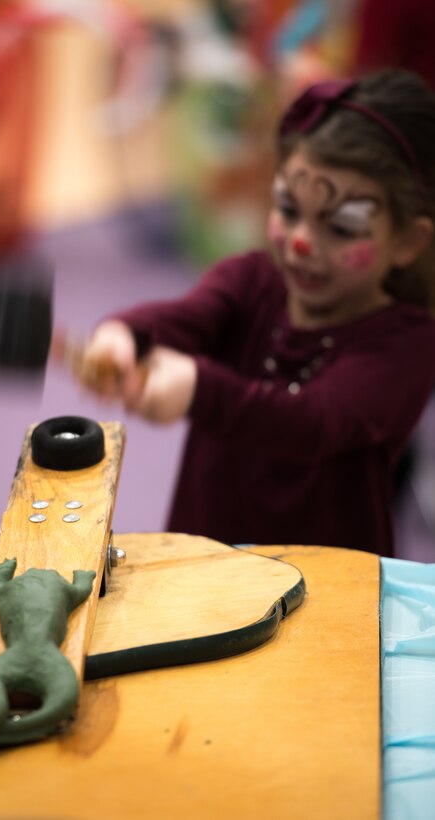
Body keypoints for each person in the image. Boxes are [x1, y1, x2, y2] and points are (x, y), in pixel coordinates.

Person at [73, 69, 435, 556]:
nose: (303, 241)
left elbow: (314, 422)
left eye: (342, 227)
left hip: (326, 597)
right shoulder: (249, 280)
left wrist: (198, 388)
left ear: (407, 241)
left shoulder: (408, 344)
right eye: (289, 209)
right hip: (204, 571)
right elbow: (183, 317)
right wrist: (122, 336)